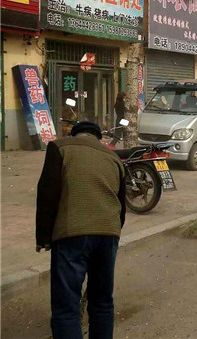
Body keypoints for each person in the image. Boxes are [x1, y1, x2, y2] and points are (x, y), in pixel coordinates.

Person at [36, 121, 126, 339]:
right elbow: (122, 206)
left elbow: (48, 192)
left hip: (72, 233)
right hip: (108, 234)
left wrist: (44, 237)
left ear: (74, 134)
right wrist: (111, 234)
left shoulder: (60, 147)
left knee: (67, 307)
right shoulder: (113, 158)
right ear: (98, 138)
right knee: (102, 302)